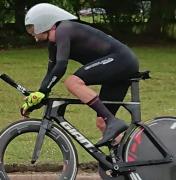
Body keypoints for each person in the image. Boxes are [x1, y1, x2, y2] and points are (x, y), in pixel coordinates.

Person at [21, 3, 139, 147]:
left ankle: (113, 121)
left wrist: (43, 92)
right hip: (117, 66)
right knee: (102, 123)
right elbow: (52, 72)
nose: (33, 36)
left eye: (32, 30)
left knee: (72, 82)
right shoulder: (54, 44)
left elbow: (61, 66)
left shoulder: (64, 29)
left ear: (44, 22)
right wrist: (39, 95)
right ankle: (123, 162)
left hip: (121, 59)